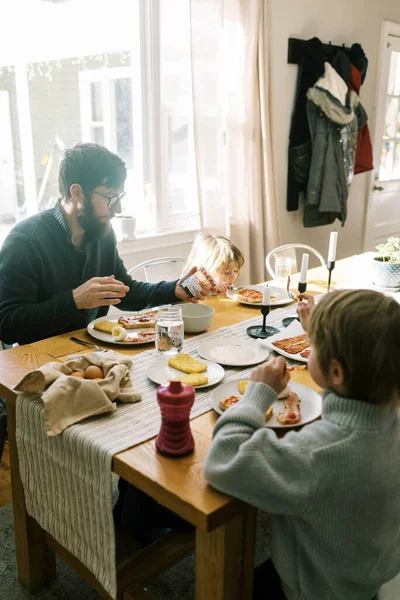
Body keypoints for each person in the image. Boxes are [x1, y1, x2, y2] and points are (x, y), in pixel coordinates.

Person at [204, 289, 400, 600]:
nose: (308, 350)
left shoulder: (319, 454)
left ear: (336, 371)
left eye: (313, 347)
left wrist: (258, 394)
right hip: (363, 576)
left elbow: (223, 461)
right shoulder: (390, 421)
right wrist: (321, 334)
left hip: (312, 588)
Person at [0, 143, 215, 347]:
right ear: (77, 193)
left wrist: (173, 289)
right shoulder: (24, 241)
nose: (118, 208)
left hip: (90, 353)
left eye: (120, 196)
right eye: (111, 197)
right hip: (39, 365)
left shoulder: (101, 232)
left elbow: (124, 292)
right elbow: (8, 326)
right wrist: (74, 301)